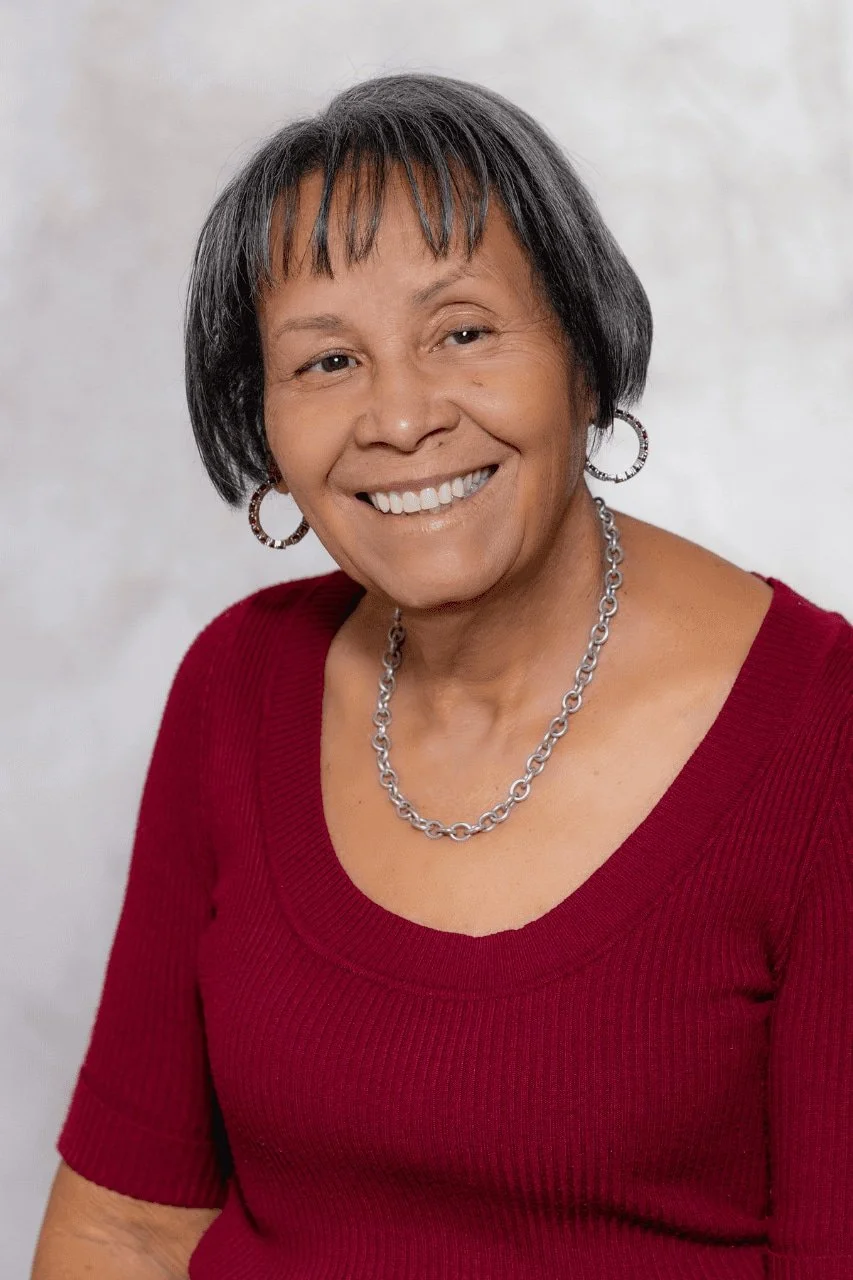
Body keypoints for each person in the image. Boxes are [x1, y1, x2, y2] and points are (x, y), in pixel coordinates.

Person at [32, 73, 852, 1279]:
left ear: (583, 348)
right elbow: (124, 1228)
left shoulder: (821, 735)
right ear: (264, 425)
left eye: (462, 331)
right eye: (325, 363)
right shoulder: (236, 683)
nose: (401, 416)